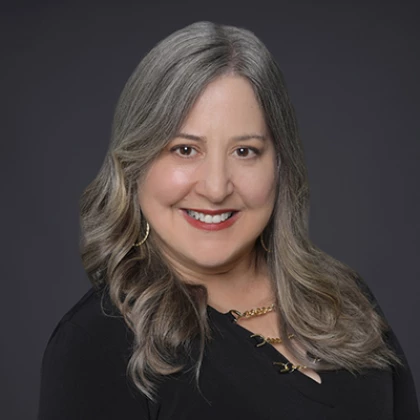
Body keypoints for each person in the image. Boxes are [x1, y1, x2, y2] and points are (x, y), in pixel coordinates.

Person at [37, 21, 419, 419]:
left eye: (245, 151)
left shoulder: (342, 298)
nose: (216, 188)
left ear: (280, 164)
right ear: (135, 164)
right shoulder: (94, 343)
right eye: (185, 150)